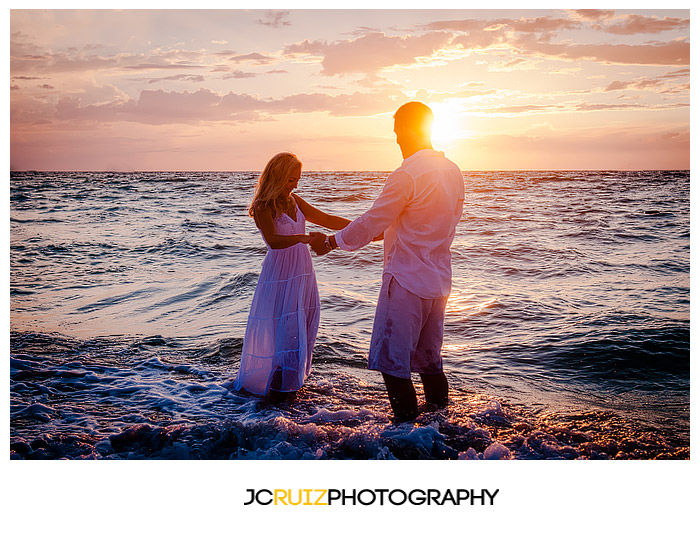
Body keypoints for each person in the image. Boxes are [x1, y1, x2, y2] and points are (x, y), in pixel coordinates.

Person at [309, 102, 464, 421]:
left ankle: (406, 438)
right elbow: (422, 224)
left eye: (397, 132)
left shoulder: (406, 174)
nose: (396, 140)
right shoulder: (453, 173)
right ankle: (439, 429)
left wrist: (330, 242)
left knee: (394, 368)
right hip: (438, 285)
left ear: (410, 129)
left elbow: (373, 221)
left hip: (405, 283)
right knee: (430, 365)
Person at [233, 152, 350, 402]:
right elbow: (274, 241)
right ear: (277, 177)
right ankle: (278, 395)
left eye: (297, 180)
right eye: (290, 180)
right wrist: (304, 238)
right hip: (280, 274)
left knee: (302, 323)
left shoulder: (294, 200)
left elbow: (327, 219)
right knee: (283, 330)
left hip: (302, 272)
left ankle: (291, 386)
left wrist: (363, 228)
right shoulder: (264, 206)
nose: (295, 185)